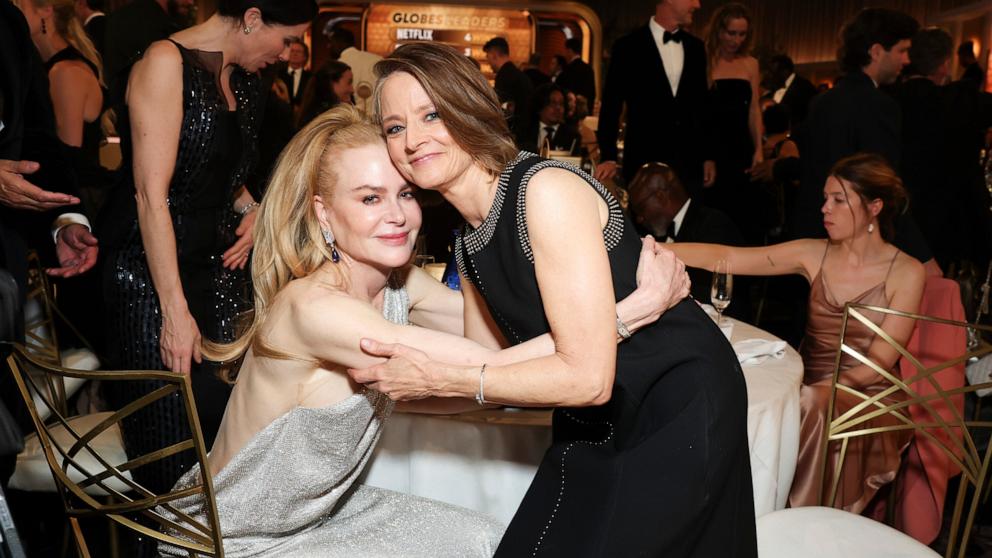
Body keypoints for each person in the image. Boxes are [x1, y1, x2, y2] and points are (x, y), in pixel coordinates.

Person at [160, 104, 686, 557]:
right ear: (323, 213)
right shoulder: (315, 308)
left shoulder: (398, 286)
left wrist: (482, 236)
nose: (397, 217)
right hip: (237, 541)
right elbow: (484, 369)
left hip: (314, 519)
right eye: (369, 199)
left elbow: (493, 343)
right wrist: (631, 310)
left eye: (406, 195)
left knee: (489, 538)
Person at [359, 42, 757, 557]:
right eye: (394, 127)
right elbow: (496, 369)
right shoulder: (469, 236)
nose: (413, 139)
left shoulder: (542, 191)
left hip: (676, 399)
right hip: (596, 413)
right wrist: (401, 388)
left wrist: (441, 378)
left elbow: (587, 377)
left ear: (470, 106)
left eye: (431, 114)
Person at [99, 0, 315, 515]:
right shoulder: (165, 62)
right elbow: (151, 197)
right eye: (286, 39)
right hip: (150, 279)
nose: (287, 54)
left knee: (230, 430)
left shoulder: (243, 81)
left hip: (216, 271)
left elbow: (222, 173)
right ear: (254, 17)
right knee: (171, 447)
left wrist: (255, 210)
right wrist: (174, 312)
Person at [669, 153, 925, 513]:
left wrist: (820, 392)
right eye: (824, 197)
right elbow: (728, 256)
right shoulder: (813, 253)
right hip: (812, 386)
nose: (825, 208)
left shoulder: (907, 272)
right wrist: (657, 249)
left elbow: (880, 362)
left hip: (870, 397)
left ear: (875, 207)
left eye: (838, 199)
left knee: (811, 404)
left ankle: (797, 520)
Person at [890, 28, 992, 270]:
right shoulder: (959, 101)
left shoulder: (888, 100)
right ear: (944, 64)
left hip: (895, 215)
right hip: (949, 220)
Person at [595, 0, 715, 197]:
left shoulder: (696, 48)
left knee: (689, 227)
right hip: (643, 161)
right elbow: (611, 105)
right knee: (642, 227)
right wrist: (608, 157)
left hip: (689, 166)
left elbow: (702, 108)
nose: (698, 4)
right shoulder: (627, 47)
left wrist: (708, 157)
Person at [17, 0, 107, 218]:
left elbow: (68, 157)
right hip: (60, 197)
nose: (12, 13)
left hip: (76, 204)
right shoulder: (46, 67)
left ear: (46, 11)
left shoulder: (66, 71)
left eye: (19, 6)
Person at [627, 161, 750, 320]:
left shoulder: (713, 224)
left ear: (661, 196)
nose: (639, 218)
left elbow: (717, 294)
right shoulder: (660, 231)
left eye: (640, 208)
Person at [703, 2, 764, 244]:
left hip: (742, 150)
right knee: (714, 217)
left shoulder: (751, 64)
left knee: (744, 217)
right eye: (731, 33)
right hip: (713, 151)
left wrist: (759, 149)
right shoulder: (705, 61)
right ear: (719, 31)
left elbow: (754, 109)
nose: (736, 40)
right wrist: (705, 155)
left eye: (742, 34)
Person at [483, 36, 533, 136]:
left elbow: (502, 110)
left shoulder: (504, 76)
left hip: (514, 133)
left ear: (494, 55)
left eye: (487, 56)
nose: (488, 62)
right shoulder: (518, 74)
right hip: (526, 130)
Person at [325, 26, 381, 113]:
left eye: (331, 43)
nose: (328, 47)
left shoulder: (339, 66)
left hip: (353, 119)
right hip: (379, 116)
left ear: (339, 43)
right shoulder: (377, 59)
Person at [516, 83, 580, 155]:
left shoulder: (572, 136)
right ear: (540, 105)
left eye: (561, 104)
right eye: (553, 103)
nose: (558, 108)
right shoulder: (525, 131)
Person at [764, 54, 817, 130]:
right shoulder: (772, 91)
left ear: (785, 71)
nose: (770, 76)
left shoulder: (804, 87)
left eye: (773, 72)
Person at [297, 60, 353, 129]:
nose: (352, 89)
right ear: (332, 83)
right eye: (349, 82)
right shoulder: (326, 118)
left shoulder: (317, 110)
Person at [555, 37, 596, 110]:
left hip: (569, 109)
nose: (564, 53)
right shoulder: (588, 68)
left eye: (565, 50)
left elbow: (560, 88)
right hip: (583, 109)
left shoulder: (567, 70)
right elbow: (592, 93)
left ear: (570, 51)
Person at [278, 37, 310, 108]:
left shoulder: (310, 77)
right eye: (292, 51)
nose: (294, 54)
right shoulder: (278, 75)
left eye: (298, 51)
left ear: (305, 56)